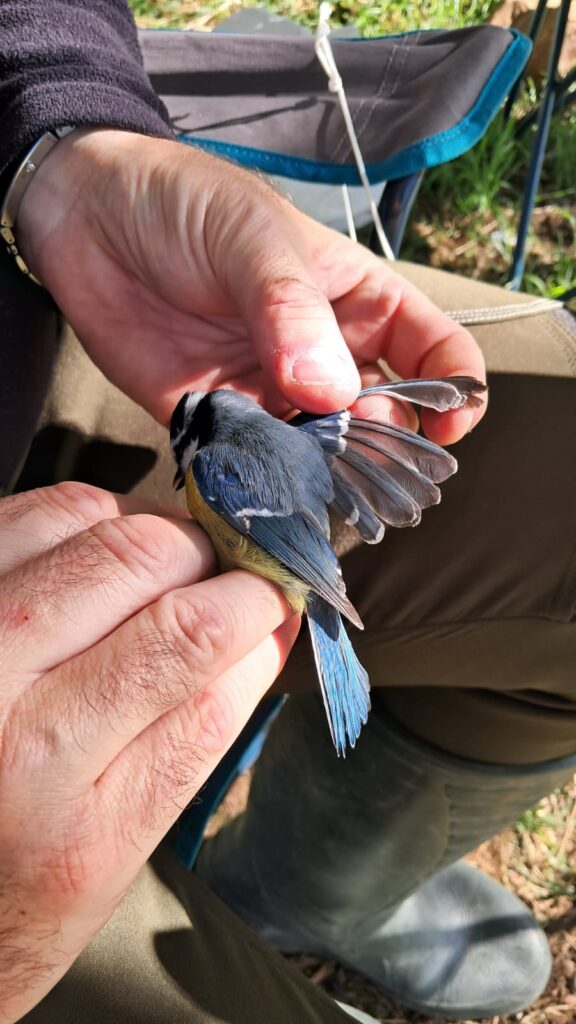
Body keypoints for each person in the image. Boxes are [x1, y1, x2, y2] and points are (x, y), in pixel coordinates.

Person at [0, 3, 574, 1023]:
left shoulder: (222, 446)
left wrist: (59, 133)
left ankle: (311, 888)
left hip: (42, 323)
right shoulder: (227, 466)